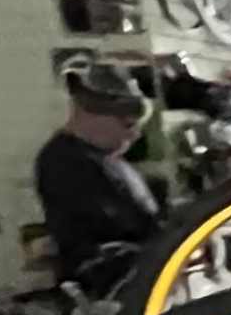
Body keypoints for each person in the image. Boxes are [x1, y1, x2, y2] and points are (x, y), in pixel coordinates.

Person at [34, 62, 158, 288]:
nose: (135, 134)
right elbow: (117, 226)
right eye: (128, 124)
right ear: (91, 115)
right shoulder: (66, 162)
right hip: (109, 285)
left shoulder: (109, 160)